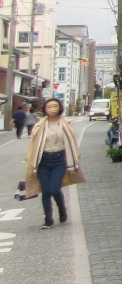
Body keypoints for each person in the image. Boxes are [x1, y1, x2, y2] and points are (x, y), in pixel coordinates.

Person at [24, 98, 83, 230]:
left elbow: (72, 144)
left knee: (54, 189)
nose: (52, 109)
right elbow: (33, 145)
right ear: (45, 109)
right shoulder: (40, 125)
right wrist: (31, 161)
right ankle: (48, 219)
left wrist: (74, 160)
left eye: (55, 106)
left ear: (60, 108)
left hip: (60, 159)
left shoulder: (66, 124)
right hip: (43, 160)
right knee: (45, 191)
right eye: (49, 106)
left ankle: (62, 209)